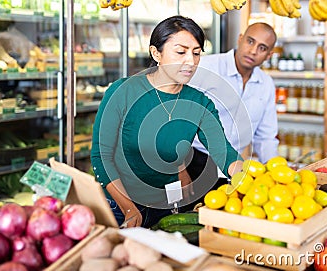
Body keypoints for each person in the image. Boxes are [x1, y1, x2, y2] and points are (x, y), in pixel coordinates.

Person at [90, 15, 244, 229]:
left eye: (196, 53)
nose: (190, 61)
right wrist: (127, 208)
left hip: (167, 206)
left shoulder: (200, 103)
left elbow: (224, 152)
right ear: (156, 53)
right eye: (180, 52)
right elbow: (101, 156)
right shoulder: (123, 91)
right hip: (119, 205)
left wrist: (249, 177)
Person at [180, 22, 279, 191]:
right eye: (250, 41)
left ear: (269, 55)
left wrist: (275, 174)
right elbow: (179, 120)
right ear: (240, 39)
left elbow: (266, 137)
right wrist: (180, 170)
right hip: (195, 162)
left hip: (235, 167)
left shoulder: (266, 84)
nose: (253, 51)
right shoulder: (206, 68)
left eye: (262, 48)